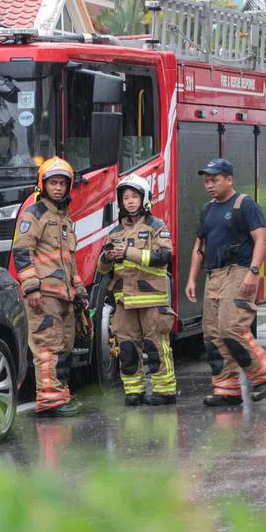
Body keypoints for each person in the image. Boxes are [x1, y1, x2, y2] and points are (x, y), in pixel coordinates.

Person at [185, 158, 266, 407]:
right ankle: (227, 389)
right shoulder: (207, 210)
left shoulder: (245, 205)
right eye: (206, 181)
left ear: (229, 179)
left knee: (231, 329)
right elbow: (199, 247)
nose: (209, 185)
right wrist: (192, 279)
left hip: (238, 272)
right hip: (214, 276)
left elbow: (261, 239)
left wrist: (253, 272)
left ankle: (263, 374)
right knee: (213, 336)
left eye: (214, 180)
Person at [12, 157, 88, 417]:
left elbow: (70, 262)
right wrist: (31, 287)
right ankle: (49, 400)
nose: (58, 188)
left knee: (63, 345)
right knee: (46, 347)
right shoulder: (34, 214)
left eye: (62, 183)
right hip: (43, 295)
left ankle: (60, 394)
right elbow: (22, 252)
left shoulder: (65, 220)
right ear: (43, 185)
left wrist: (80, 293)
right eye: (53, 183)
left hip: (63, 296)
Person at [96, 174, 177, 407]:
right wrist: (108, 257)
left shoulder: (156, 226)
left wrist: (128, 253)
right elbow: (103, 268)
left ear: (144, 199)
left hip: (152, 299)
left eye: (134, 197)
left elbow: (164, 257)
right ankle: (134, 391)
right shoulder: (114, 233)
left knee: (155, 346)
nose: (130, 201)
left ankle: (165, 391)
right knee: (127, 348)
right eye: (125, 198)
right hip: (125, 301)